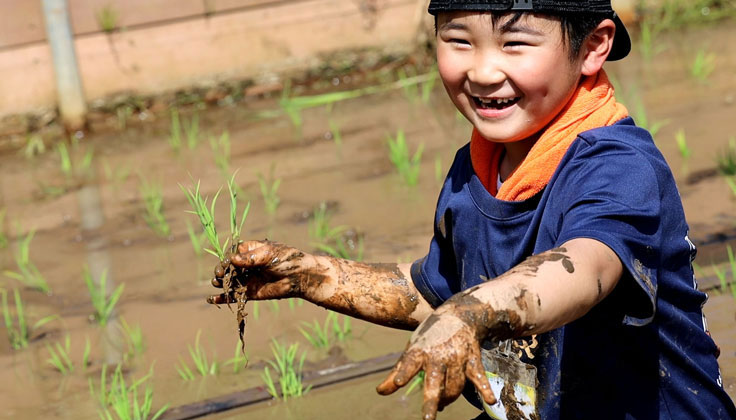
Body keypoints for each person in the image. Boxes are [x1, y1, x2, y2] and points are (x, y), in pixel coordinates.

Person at [209, 1, 736, 419]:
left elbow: (586, 268)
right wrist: (315, 275)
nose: (483, 71)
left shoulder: (617, 165)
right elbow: (436, 293)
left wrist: (468, 314)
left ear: (593, 46)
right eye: (459, 41)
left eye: (515, 44)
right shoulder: (475, 168)